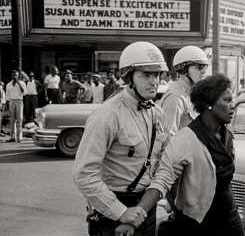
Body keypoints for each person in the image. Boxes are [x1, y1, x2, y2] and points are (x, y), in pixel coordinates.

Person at [72, 42, 184, 236]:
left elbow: (165, 166)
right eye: (146, 75)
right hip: (111, 213)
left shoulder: (157, 114)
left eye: (157, 75)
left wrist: (144, 208)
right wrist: (121, 212)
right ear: (128, 77)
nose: (154, 81)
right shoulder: (107, 116)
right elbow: (84, 174)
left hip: (146, 209)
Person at [118, 73, 245, 236]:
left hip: (229, 217)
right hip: (198, 222)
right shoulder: (186, 139)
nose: (232, 105)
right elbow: (163, 179)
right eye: (227, 100)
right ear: (208, 104)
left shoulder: (227, 135)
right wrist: (133, 220)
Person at [159, 45, 210, 137]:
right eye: (199, 66)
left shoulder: (193, 94)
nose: (203, 71)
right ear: (183, 68)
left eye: (205, 67)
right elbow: (168, 138)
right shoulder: (175, 98)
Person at [5, 70, 26, 142]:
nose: (15, 77)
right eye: (13, 75)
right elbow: (7, 95)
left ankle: (19, 137)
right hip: (11, 101)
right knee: (12, 119)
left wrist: (19, 84)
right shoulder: (8, 84)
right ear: (11, 76)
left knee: (19, 119)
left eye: (16, 75)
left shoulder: (22, 83)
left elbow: (24, 92)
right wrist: (6, 105)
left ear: (18, 76)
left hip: (19, 101)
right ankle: (12, 137)